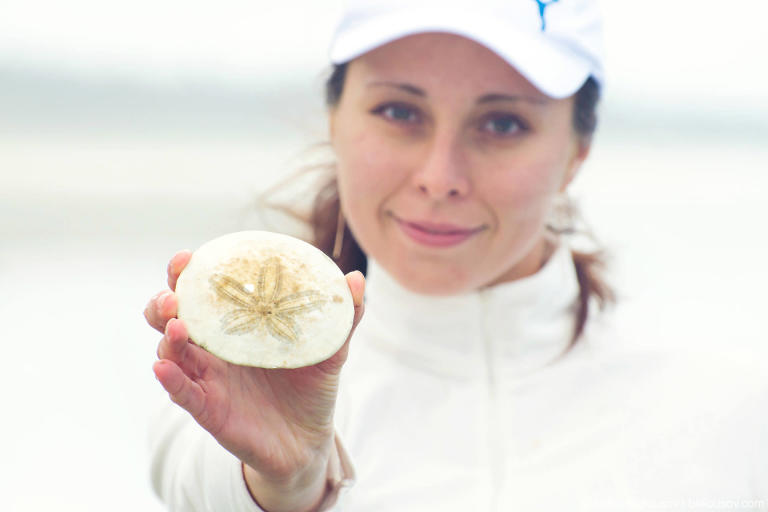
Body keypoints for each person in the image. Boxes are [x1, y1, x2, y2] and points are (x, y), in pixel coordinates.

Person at [144, 1, 767, 511]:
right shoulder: (231, 399)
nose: (440, 177)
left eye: (501, 125)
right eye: (399, 111)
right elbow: (206, 485)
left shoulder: (733, 417)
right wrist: (290, 484)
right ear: (335, 118)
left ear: (577, 150)